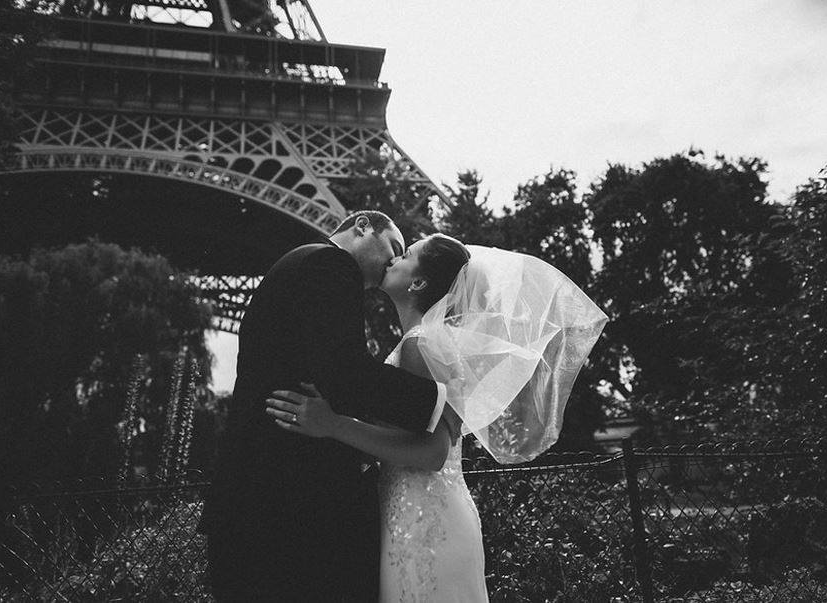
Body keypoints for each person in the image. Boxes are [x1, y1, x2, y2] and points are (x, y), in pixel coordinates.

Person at [268, 235, 608, 602]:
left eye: (407, 254)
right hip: (429, 515)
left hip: (423, 525)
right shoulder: (428, 343)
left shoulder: (420, 346)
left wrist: (334, 425)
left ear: (417, 283)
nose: (396, 257)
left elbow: (432, 453)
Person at [199, 211, 447, 602]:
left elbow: (330, 374)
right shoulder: (329, 264)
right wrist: (438, 399)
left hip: (257, 502)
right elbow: (344, 372)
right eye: (394, 247)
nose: (393, 261)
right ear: (362, 226)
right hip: (288, 508)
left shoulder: (301, 265)